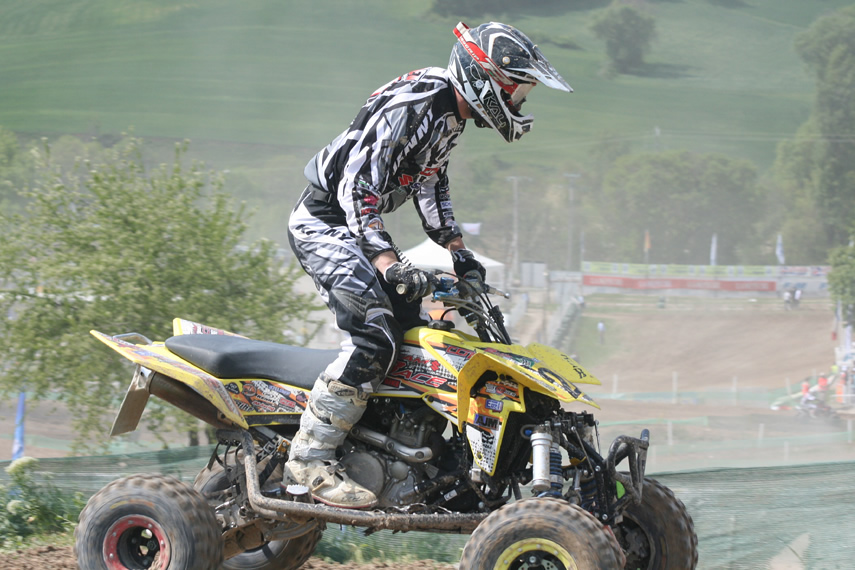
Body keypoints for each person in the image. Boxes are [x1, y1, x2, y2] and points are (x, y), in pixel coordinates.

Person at [284, 22, 572, 508]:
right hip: (324, 224)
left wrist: (458, 251)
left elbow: (431, 181)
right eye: (517, 89)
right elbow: (357, 184)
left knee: (420, 335)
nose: (520, 101)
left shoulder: (450, 114)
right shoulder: (416, 102)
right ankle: (309, 458)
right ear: (486, 79)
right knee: (376, 334)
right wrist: (386, 260)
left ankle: (392, 452)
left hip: (357, 226)